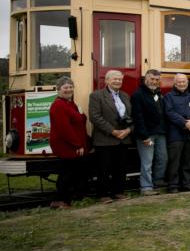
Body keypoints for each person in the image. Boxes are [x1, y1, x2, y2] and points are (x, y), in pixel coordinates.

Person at [88, 70, 133, 203]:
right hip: (105, 139)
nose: (118, 81)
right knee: (104, 169)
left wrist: (129, 130)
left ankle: (118, 192)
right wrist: (113, 131)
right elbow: (95, 117)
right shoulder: (96, 96)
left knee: (120, 168)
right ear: (106, 81)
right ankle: (103, 195)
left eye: (120, 79)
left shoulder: (125, 96)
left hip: (123, 138)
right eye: (115, 79)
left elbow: (132, 116)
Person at [48, 76, 91, 209]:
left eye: (71, 87)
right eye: (65, 87)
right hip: (66, 145)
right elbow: (64, 129)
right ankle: (59, 200)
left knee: (73, 172)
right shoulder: (58, 106)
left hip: (74, 144)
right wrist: (76, 145)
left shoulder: (70, 104)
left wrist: (81, 112)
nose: (69, 89)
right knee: (67, 173)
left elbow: (81, 120)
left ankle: (70, 198)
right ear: (58, 89)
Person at [164, 73, 190, 193]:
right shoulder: (168, 97)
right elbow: (169, 112)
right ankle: (173, 185)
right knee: (174, 161)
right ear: (175, 83)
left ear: (187, 83)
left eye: (184, 82)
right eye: (179, 82)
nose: (182, 84)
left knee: (188, 160)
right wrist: (184, 123)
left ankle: (186, 183)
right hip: (176, 134)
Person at [131, 69, 168, 196]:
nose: (154, 81)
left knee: (163, 159)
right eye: (152, 79)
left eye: (157, 80)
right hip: (146, 134)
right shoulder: (138, 94)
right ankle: (146, 187)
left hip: (160, 133)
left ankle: (157, 182)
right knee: (147, 161)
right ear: (146, 79)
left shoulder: (158, 93)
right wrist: (144, 136)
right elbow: (138, 117)